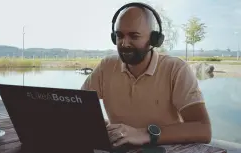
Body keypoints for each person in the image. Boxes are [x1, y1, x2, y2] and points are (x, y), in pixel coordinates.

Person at [81, 2, 212, 147]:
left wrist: (143, 134)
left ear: (153, 39)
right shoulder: (106, 66)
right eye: (119, 36)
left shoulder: (176, 69)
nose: (124, 43)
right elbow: (77, 108)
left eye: (134, 36)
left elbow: (203, 129)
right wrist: (102, 126)